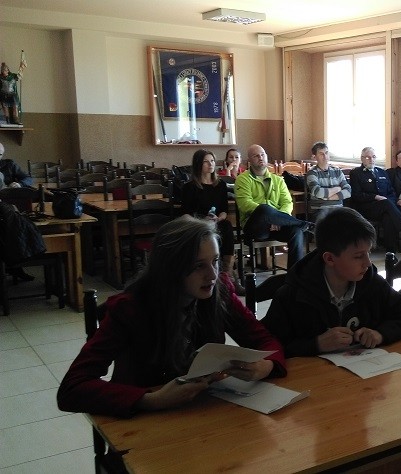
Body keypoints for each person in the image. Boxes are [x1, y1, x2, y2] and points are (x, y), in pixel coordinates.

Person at [56, 216, 287, 418]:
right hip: (146, 424)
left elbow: (265, 340)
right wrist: (151, 399)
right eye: (198, 266)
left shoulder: (220, 292)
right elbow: (72, 388)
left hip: (203, 414)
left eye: (215, 261)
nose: (212, 275)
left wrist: (266, 366)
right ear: (170, 268)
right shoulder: (130, 308)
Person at [261, 207, 401, 357]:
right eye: (358, 256)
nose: (368, 263)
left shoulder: (372, 283)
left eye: (369, 252)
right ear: (330, 259)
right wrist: (316, 344)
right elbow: (267, 347)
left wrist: (380, 334)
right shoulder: (293, 295)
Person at [234, 144, 311, 268]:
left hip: (278, 226)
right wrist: (271, 216)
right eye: (256, 156)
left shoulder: (278, 180)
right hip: (255, 227)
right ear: (249, 160)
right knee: (264, 208)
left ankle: (294, 275)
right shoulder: (242, 179)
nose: (260, 158)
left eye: (262, 154)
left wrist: (277, 219)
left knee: (296, 232)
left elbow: (287, 202)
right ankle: (302, 223)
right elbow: (245, 204)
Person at [181, 149, 244, 295]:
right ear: (198, 164)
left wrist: (218, 218)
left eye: (212, 161)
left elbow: (224, 210)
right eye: (206, 161)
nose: (211, 164)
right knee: (219, 230)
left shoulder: (220, 185)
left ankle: (228, 276)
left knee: (226, 225)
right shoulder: (189, 187)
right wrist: (203, 220)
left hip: (216, 222)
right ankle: (221, 277)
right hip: (197, 225)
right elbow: (185, 214)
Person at [347, 146, 401, 252]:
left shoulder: (381, 172)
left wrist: (394, 200)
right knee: (386, 203)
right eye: (368, 157)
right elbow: (356, 195)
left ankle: (390, 251)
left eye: (373, 157)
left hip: (384, 206)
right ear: (362, 158)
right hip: (366, 207)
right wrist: (375, 197)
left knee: (388, 216)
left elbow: (391, 192)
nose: (371, 159)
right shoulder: (356, 173)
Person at [304, 141, 351, 219]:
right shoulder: (312, 173)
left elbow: (348, 191)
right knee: (327, 223)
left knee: (352, 221)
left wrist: (329, 197)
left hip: (338, 208)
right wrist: (338, 189)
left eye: (326, 153)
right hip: (320, 209)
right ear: (315, 157)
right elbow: (318, 192)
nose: (325, 156)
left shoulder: (337, 171)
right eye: (321, 154)